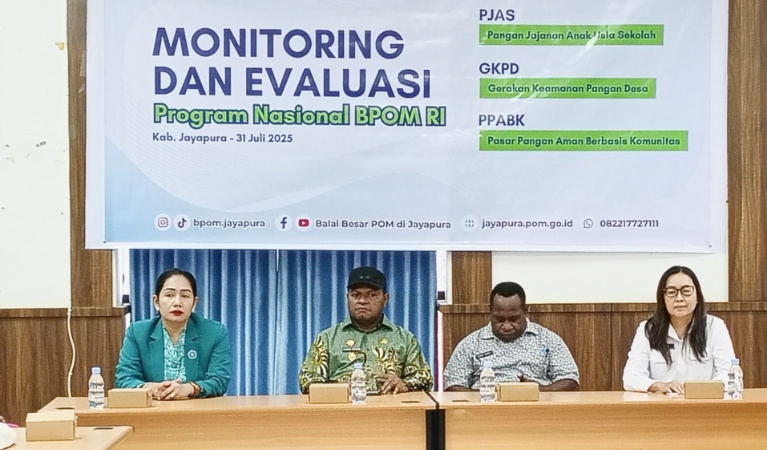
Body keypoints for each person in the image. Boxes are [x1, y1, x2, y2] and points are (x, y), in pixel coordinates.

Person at [299, 266, 433, 394]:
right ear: (347, 297)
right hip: (342, 406)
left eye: (372, 295)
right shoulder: (327, 338)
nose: (362, 301)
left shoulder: (404, 339)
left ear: (385, 299)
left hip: (389, 406)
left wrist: (404, 384)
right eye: (355, 295)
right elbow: (306, 380)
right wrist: (338, 389)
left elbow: (425, 378)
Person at [116, 268, 231, 399]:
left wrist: (190, 389)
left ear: (194, 303)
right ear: (156, 301)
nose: (177, 303)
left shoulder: (214, 332)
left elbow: (219, 380)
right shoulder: (137, 332)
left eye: (185, 296)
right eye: (169, 295)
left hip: (198, 408)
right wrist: (151, 389)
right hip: (153, 407)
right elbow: (125, 378)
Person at [444, 281, 579, 391]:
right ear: (490, 311)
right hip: (486, 407)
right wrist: (488, 393)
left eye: (514, 319)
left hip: (536, 406)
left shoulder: (548, 340)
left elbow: (570, 380)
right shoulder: (471, 344)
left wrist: (536, 390)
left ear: (525, 311)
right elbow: (452, 384)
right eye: (499, 319)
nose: (507, 326)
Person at [623, 266, 736, 394]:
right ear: (662, 298)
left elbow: (729, 374)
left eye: (686, 291)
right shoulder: (648, 329)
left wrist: (696, 390)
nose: (679, 298)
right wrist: (660, 386)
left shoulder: (714, 327)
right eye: (672, 292)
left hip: (703, 401)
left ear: (697, 296)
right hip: (661, 402)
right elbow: (631, 377)